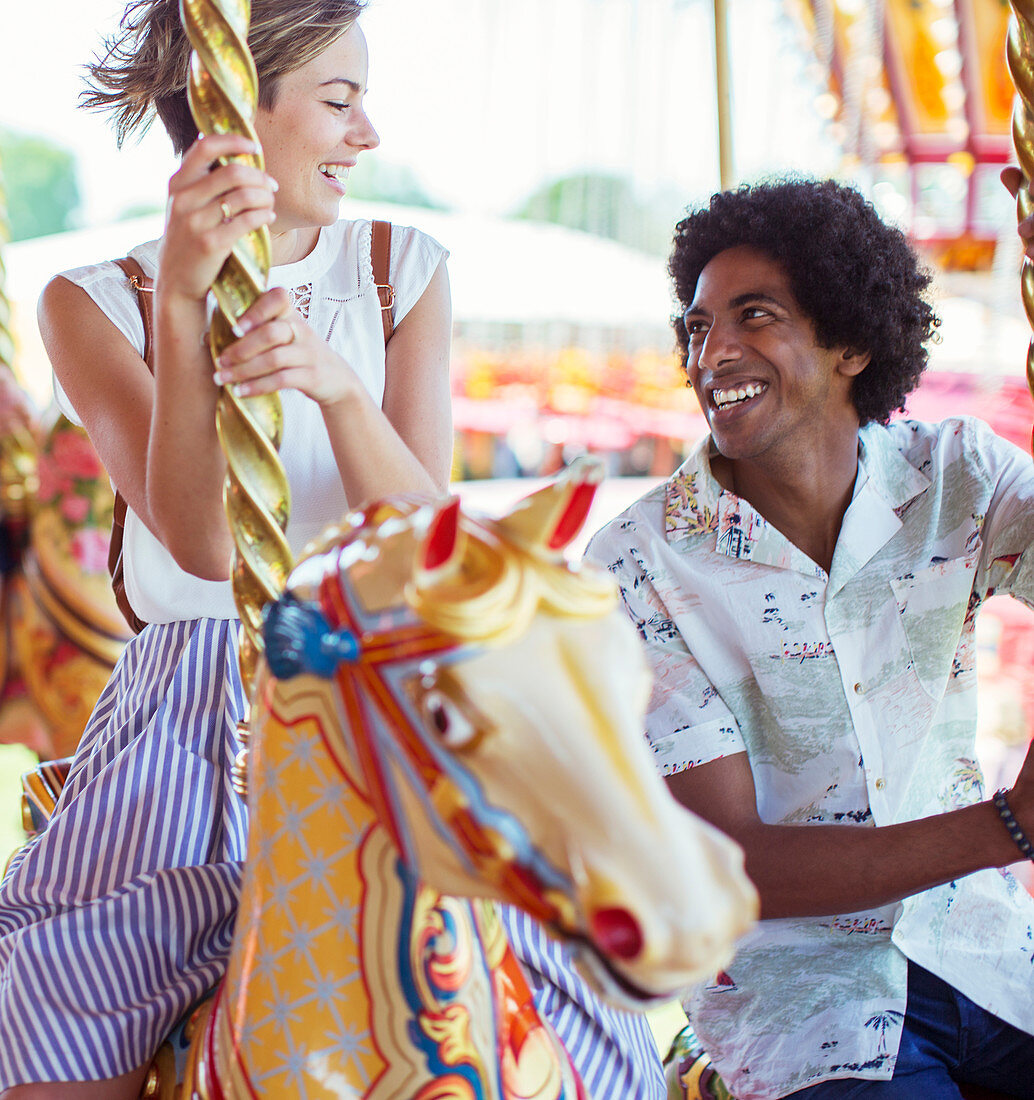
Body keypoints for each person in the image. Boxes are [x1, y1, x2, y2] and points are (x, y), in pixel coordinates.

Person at [0, 3, 665, 1096]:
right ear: (230, 111)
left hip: (382, 678)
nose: (366, 135)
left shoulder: (402, 267)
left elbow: (426, 544)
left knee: (573, 966)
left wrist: (337, 385)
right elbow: (206, 545)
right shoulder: (91, 302)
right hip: (195, 703)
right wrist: (180, 304)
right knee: (65, 985)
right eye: (339, 102)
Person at [587, 178, 1034, 1100]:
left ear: (853, 341)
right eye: (699, 326)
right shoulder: (640, 561)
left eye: (757, 316)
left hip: (985, 951)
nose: (714, 352)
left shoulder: (956, 474)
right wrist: (1005, 826)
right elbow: (731, 858)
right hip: (804, 1000)